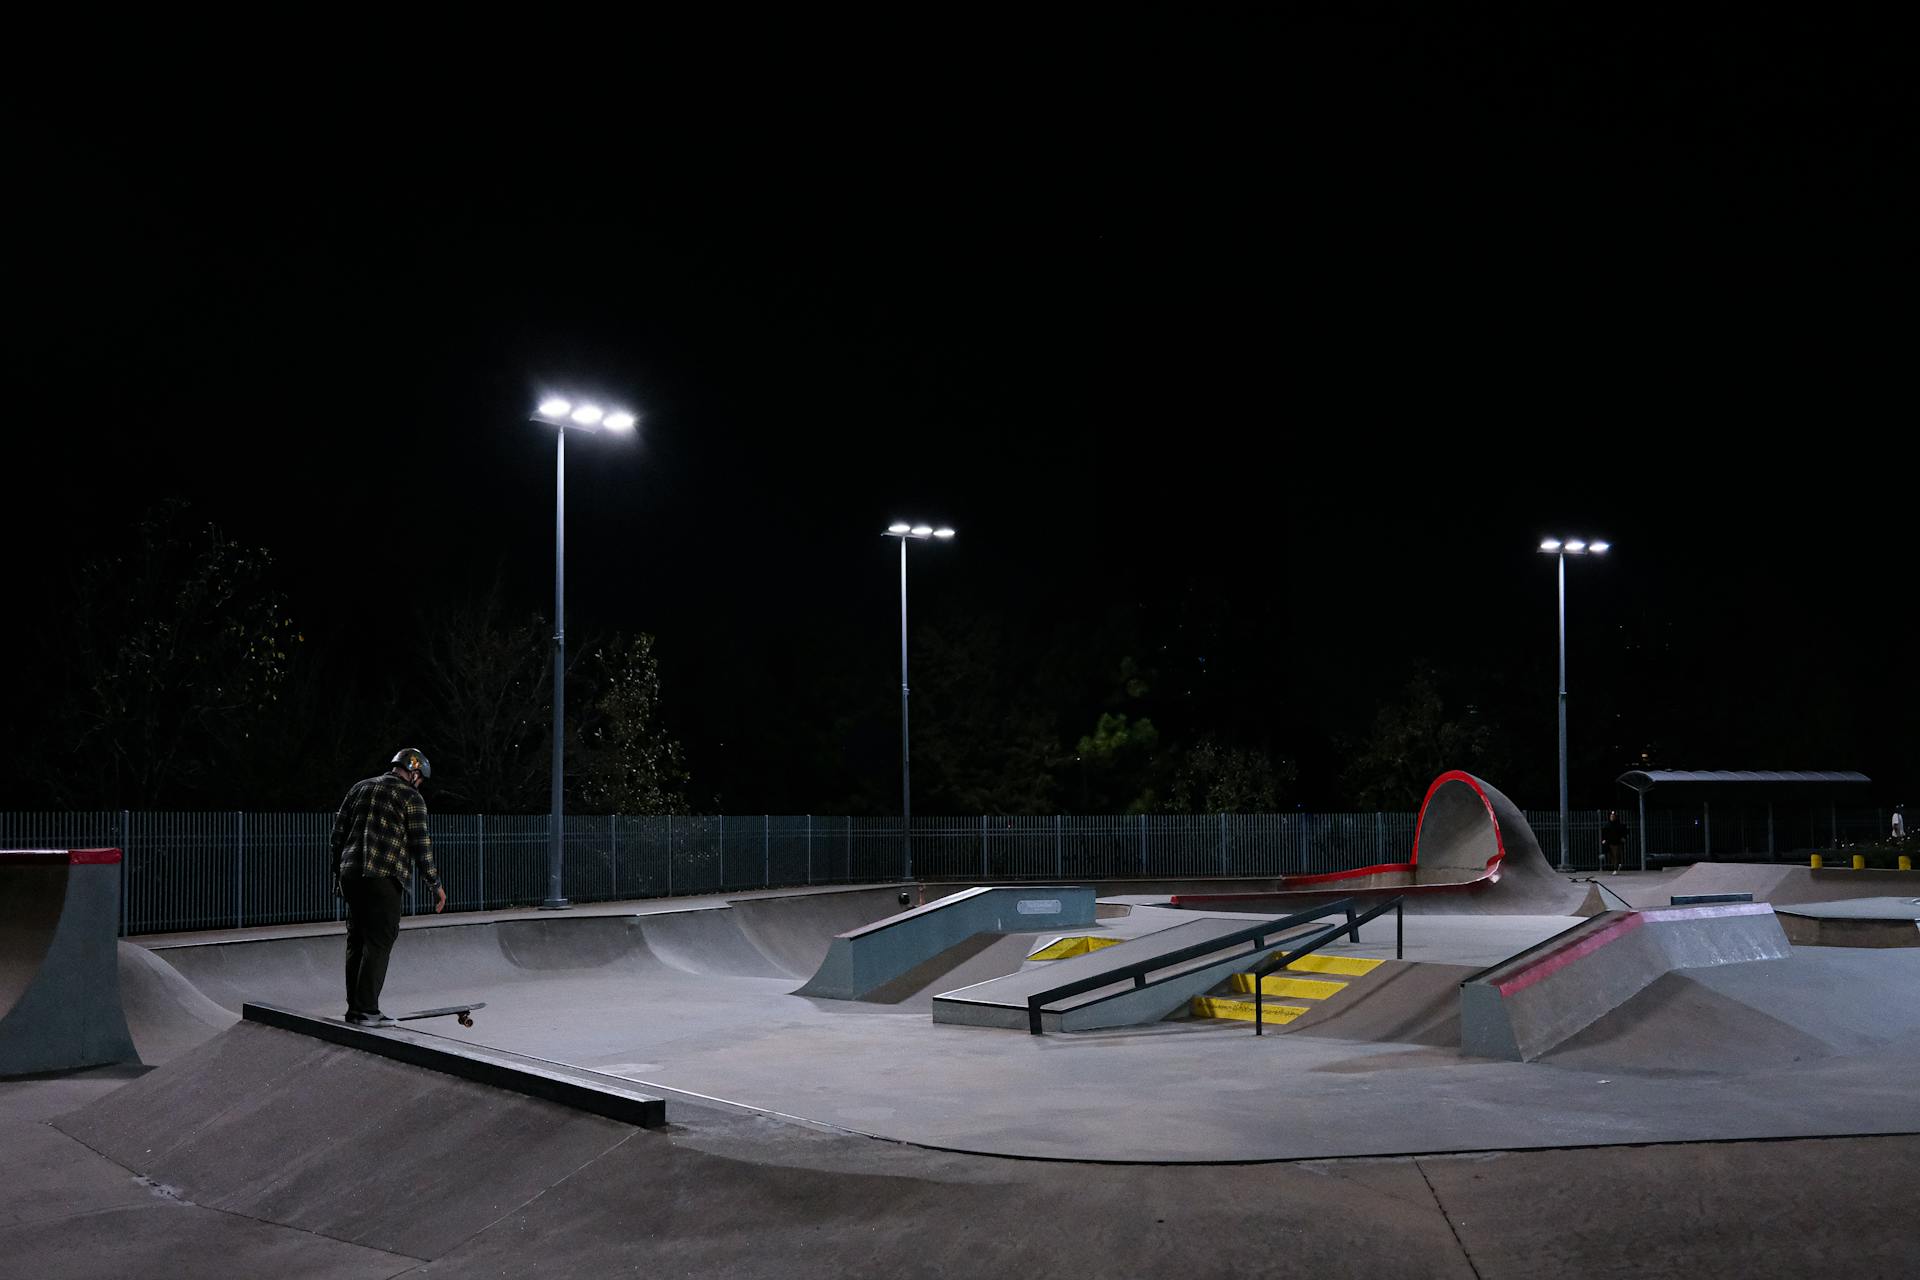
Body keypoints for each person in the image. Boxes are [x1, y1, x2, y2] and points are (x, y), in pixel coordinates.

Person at [330, 747, 446, 1025]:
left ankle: (355, 1009)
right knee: (379, 940)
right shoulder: (411, 797)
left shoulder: (359, 788)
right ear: (414, 772)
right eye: (420, 778)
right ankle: (367, 1010)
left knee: (356, 940)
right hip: (383, 877)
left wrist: (339, 874)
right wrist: (435, 884)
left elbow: (337, 837)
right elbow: (421, 845)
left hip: (351, 875)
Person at [1602, 809, 1630, 875]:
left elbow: (1624, 832)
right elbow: (1604, 833)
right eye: (1611, 816)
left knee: (1616, 855)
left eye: (1613, 816)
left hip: (1617, 843)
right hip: (1609, 843)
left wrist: (1623, 838)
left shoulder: (1619, 825)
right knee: (1611, 856)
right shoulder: (1607, 825)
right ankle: (1617, 865)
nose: (1612, 817)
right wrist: (1603, 839)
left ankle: (1615, 869)